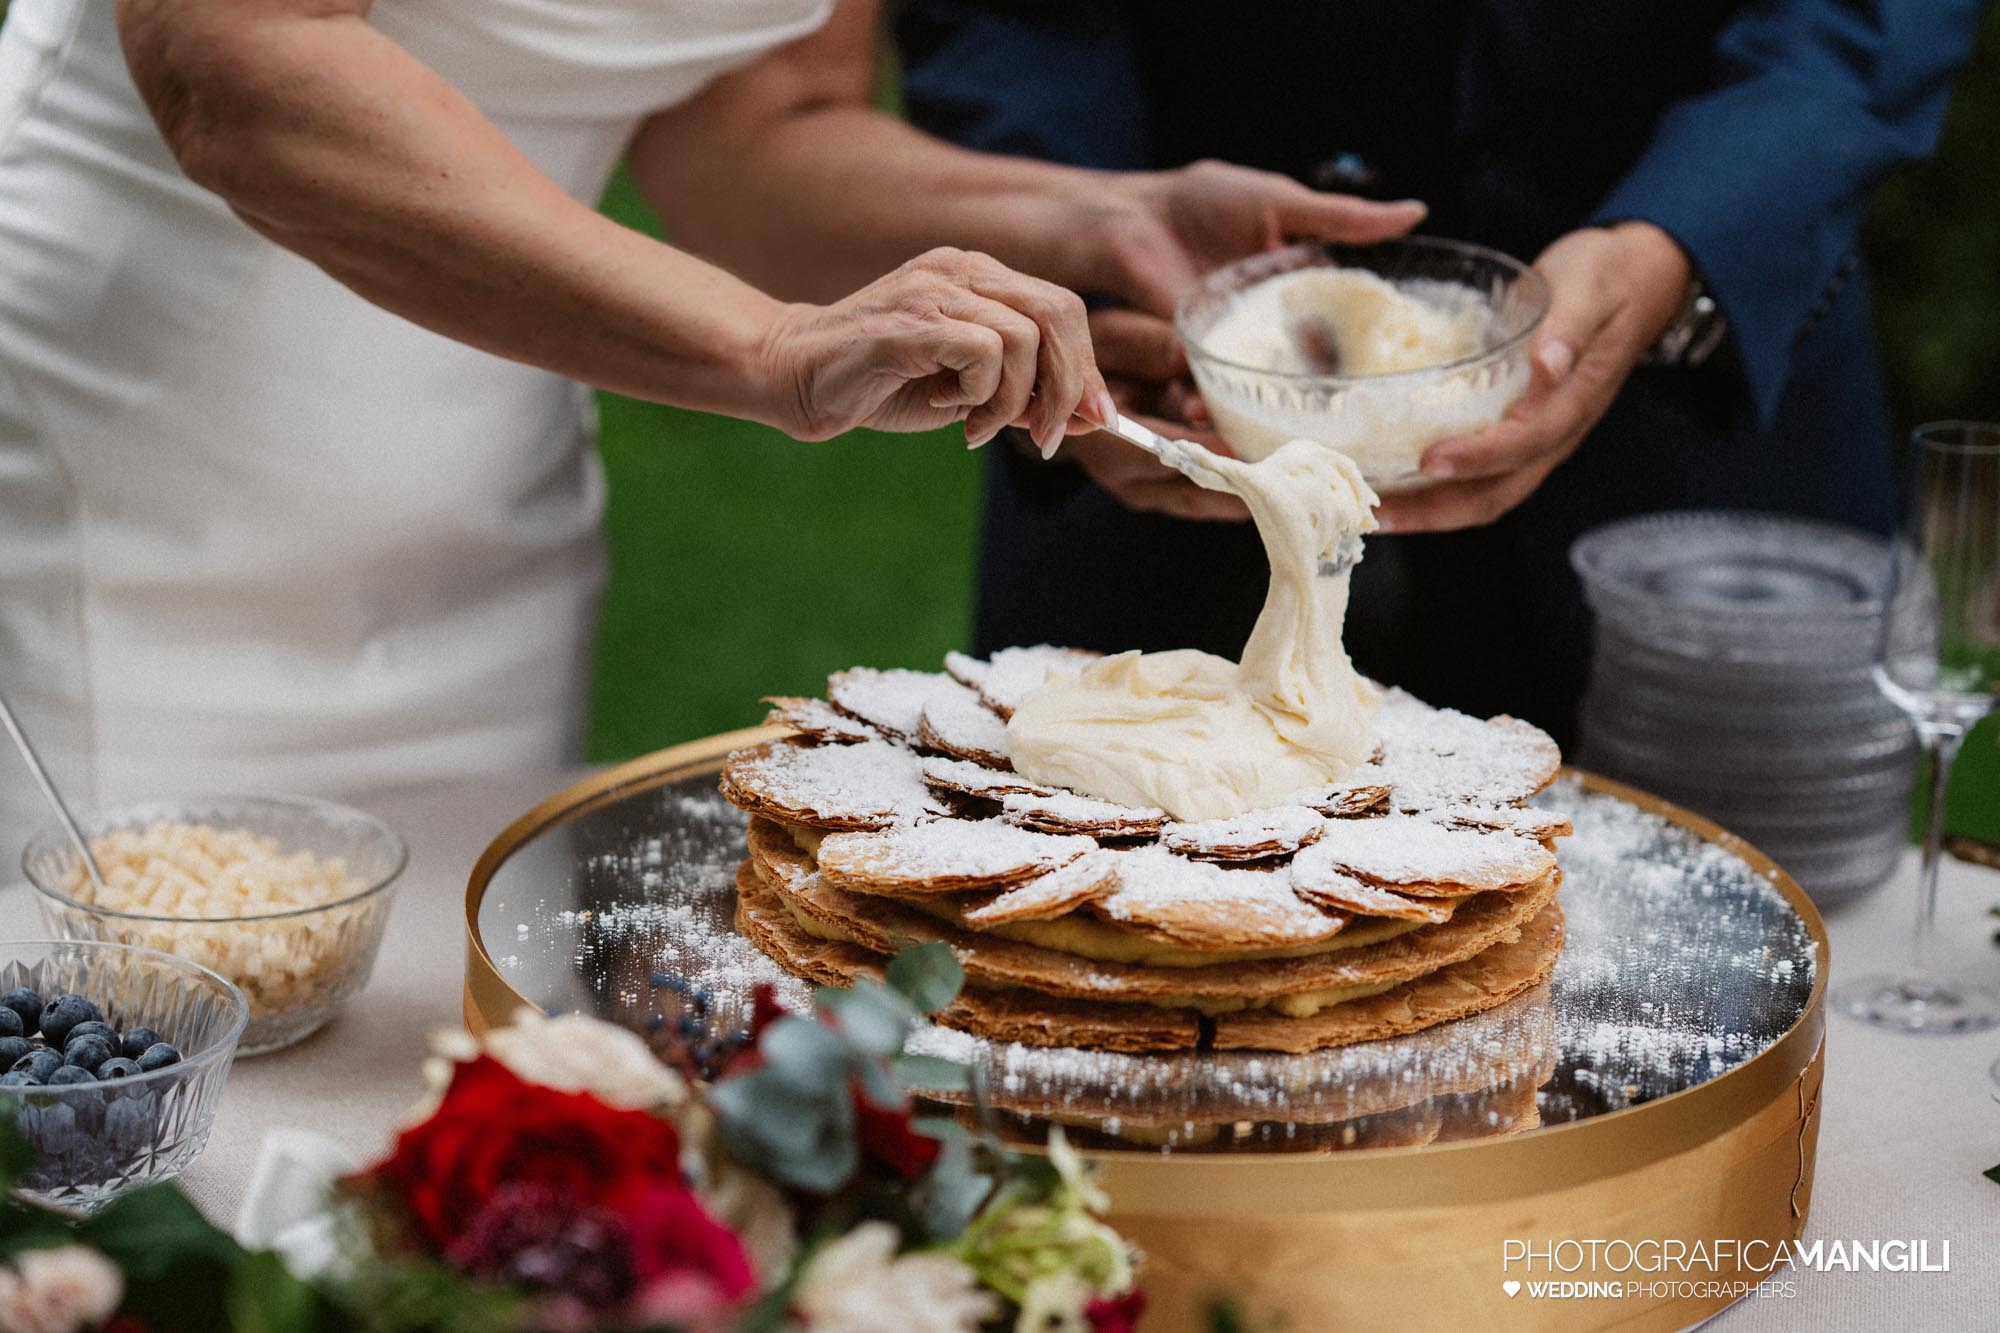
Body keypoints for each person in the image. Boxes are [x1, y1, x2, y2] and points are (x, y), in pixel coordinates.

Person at [0, 0, 1419, 848]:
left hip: (490, 465)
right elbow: (234, 62)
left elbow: (755, 137)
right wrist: (773, 347)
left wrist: (1097, 219)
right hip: (120, 467)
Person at [897, 0, 1984, 747]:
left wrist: (1684, 235)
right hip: (1168, 421)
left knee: (1743, 1013)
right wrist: (1088, 246)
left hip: (1689, 451)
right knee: (1107, 989)